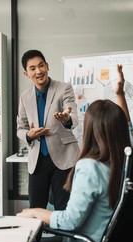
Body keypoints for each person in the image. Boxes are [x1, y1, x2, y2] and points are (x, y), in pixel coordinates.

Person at [17, 64, 133, 242]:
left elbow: (69, 222)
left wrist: (35, 212)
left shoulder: (90, 167)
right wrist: (120, 94)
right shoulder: (131, 152)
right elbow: (128, 129)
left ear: (91, 129)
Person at [17, 49, 80, 210]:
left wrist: (66, 118)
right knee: (36, 207)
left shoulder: (64, 88)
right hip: (38, 160)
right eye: (33, 68)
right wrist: (28, 134)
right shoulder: (25, 97)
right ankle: (35, 236)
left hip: (64, 157)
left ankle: (65, 236)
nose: (38, 71)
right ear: (26, 73)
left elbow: (72, 116)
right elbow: (20, 128)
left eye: (41, 66)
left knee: (64, 207)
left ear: (47, 66)